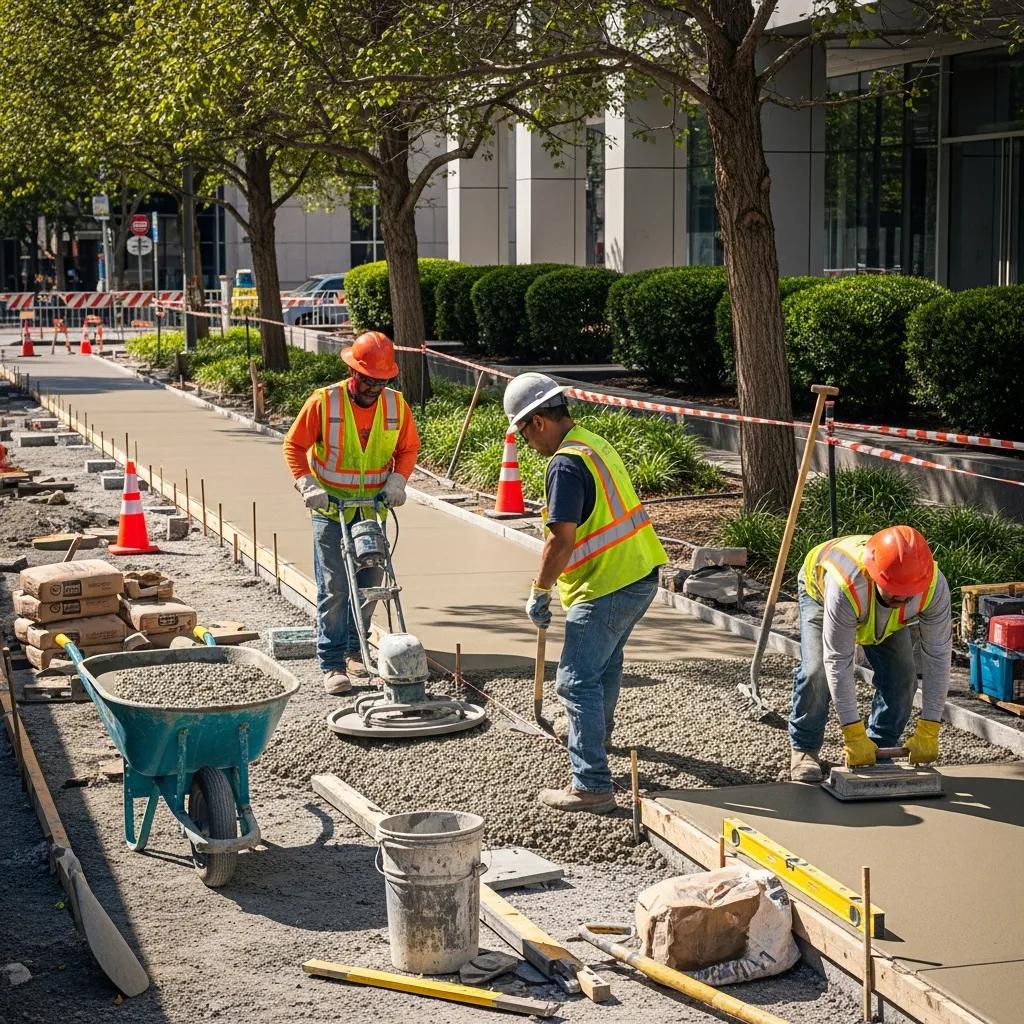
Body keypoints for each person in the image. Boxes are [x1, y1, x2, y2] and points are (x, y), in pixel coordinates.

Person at [504, 372, 668, 813]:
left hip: (608, 583)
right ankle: (597, 738)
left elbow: (561, 539)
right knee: (604, 667)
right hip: (638, 574)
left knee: (574, 682)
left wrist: (539, 590)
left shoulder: (565, 463)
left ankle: (591, 784)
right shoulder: (590, 442)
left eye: (522, 431)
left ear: (538, 421)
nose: (525, 441)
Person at [283, 332, 420, 695]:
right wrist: (308, 485)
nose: (374, 390)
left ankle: (355, 649)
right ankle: (331, 662)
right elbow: (294, 446)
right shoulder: (324, 402)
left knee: (371, 585)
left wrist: (397, 481)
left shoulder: (395, 406)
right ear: (354, 374)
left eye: (381, 384)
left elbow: (408, 448)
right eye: (369, 382)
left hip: (372, 509)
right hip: (330, 510)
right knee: (334, 588)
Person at [789, 525, 952, 782]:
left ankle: (881, 748)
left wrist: (930, 727)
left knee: (902, 678)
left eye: (909, 592)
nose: (903, 597)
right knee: (816, 672)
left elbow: (938, 656)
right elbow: (838, 660)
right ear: (876, 576)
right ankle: (805, 748)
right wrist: (853, 734)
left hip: (876, 610)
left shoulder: (932, 586)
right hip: (820, 591)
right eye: (895, 589)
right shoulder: (846, 585)